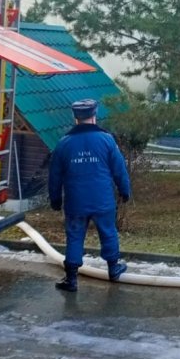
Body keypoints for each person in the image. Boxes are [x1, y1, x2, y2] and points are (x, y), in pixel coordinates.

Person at [48, 99, 131, 291]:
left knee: (75, 236)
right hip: (102, 199)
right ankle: (113, 269)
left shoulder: (64, 143)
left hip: (76, 201)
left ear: (75, 118)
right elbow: (119, 169)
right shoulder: (107, 140)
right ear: (94, 116)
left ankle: (71, 279)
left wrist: (55, 199)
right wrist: (124, 190)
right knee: (108, 232)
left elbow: (55, 176)